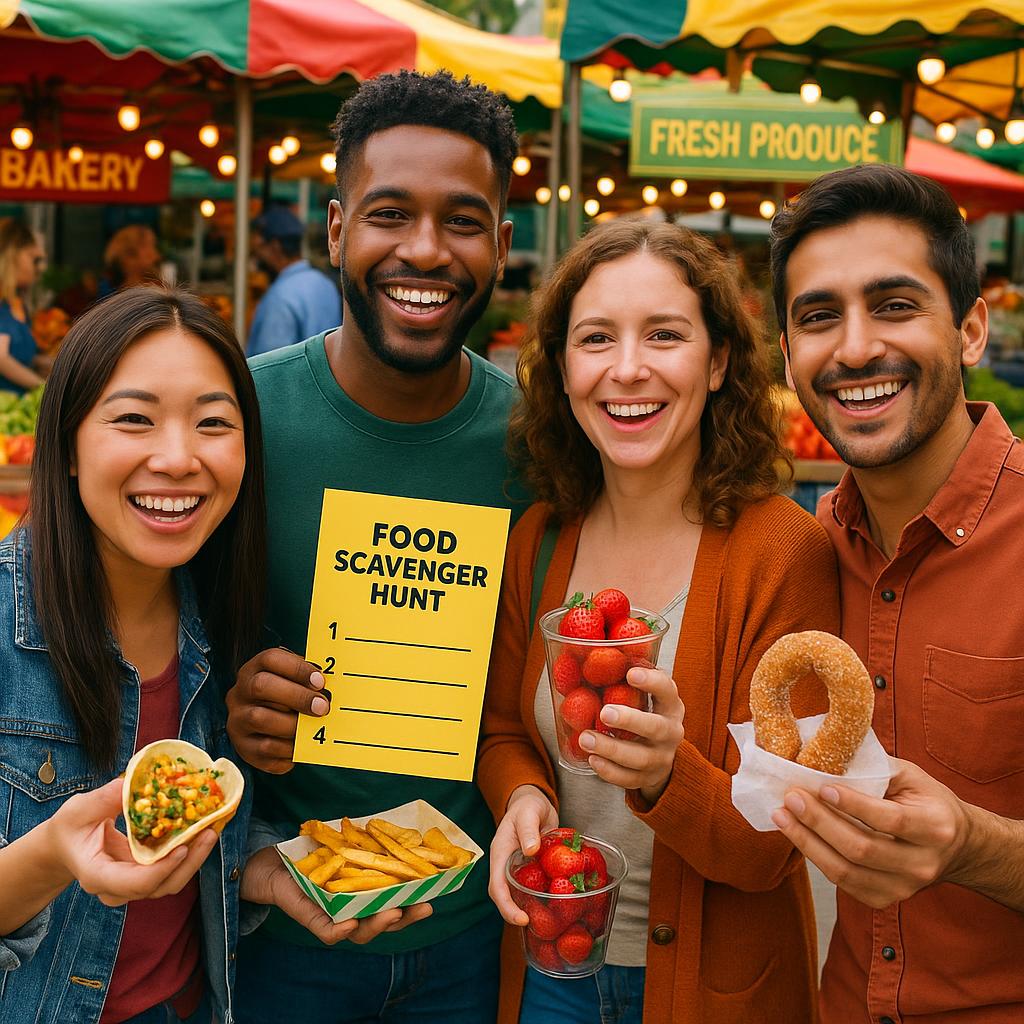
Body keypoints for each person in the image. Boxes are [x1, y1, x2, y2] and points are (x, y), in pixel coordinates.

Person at [480, 218, 840, 1024]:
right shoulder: (538, 539)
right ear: (563, 369)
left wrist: (667, 776)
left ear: (717, 363)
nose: (628, 369)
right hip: (550, 970)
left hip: (719, 989)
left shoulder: (783, 553)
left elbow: (779, 844)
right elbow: (504, 727)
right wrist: (524, 795)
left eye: (665, 336)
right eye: (596, 338)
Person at [225, 70, 527, 1023]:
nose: (426, 251)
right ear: (337, 231)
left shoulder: (545, 445)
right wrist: (226, 704)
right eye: (391, 214)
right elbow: (146, 650)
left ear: (504, 245)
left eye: (464, 221)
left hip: (476, 935)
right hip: (281, 934)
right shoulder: (238, 420)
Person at [769, 163, 1024, 1024]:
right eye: (818, 318)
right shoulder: (801, 558)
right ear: (787, 358)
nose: (853, 348)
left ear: (971, 330)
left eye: (895, 305)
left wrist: (973, 846)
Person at [0, 286, 267, 1023]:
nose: (178, 458)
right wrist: (54, 856)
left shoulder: (226, 616)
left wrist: (271, 873)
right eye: (134, 420)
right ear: (70, 446)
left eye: (213, 423)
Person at [246, 206, 342, 356]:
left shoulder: (280, 297)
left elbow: (271, 367)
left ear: (275, 246)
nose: (256, 255)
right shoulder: (324, 283)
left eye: (259, 247)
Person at [0, 219, 46, 392]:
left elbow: (17, 354)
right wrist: (45, 388)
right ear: (12, 255)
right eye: (34, 259)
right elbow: (1, 358)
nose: (39, 268)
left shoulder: (17, 304)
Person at [99, 225, 162, 297]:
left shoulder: (156, 292)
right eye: (149, 246)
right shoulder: (110, 299)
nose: (157, 255)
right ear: (129, 256)